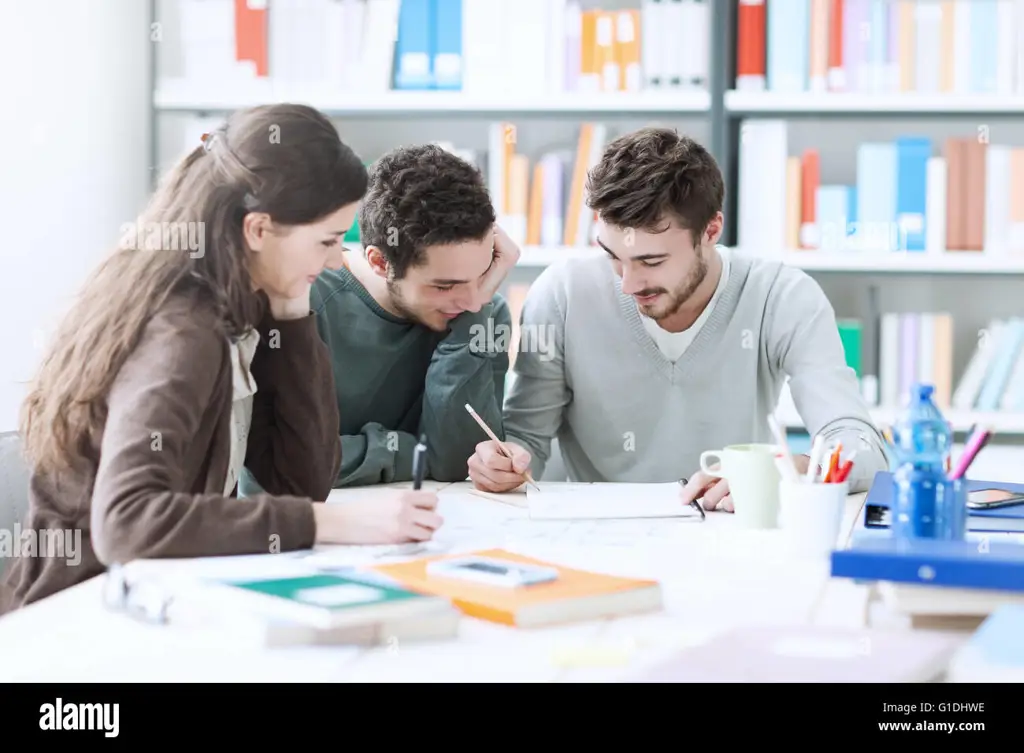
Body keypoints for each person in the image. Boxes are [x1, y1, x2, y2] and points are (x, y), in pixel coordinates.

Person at [0, 104, 442, 616]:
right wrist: (333, 526)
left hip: (156, 600)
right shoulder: (183, 330)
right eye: (325, 242)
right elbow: (127, 523)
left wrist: (293, 313)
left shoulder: (246, 306)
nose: (332, 261)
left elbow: (300, 485)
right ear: (257, 231)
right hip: (76, 623)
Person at [467, 126, 889, 510]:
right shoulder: (561, 293)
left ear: (710, 230)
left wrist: (785, 471)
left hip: (729, 532)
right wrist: (500, 463)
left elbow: (861, 446)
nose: (629, 284)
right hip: (598, 542)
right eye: (614, 257)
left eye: (651, 260)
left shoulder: (782, 296)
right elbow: (526, 445)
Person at [259, 143, 514, 488]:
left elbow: (458, 462)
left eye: (482, 276)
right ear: (381, 262)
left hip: (430, 525)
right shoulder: (301, 302)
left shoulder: (482, 311)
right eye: (444, 286)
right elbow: (280, 463)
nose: (471, 300)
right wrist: (411, 453)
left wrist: (473, 317)